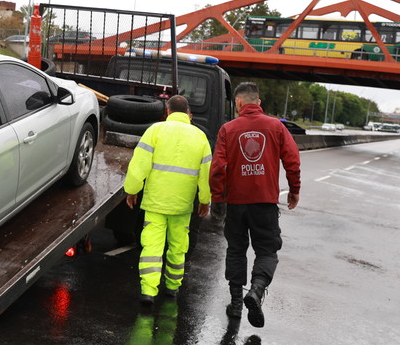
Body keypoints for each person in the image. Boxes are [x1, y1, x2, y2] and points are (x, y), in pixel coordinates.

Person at [210, 82, 302, 327]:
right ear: (258, 103)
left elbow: (218, 167)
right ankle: (257, 292)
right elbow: (292, 161)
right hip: (265, 203)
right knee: (267, 251)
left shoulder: (228, 129)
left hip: (237, 203)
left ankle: (237, 303)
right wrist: (294, 190)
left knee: (236, 250)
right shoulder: (276, 127)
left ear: (238, 103)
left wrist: (218, 199)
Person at [122, 94, 213, 306]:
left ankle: (148, 291)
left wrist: (132, 190)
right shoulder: (200, 137)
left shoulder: (155, 131)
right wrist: (204, 200)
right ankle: (172, 287)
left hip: (155, 202)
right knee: (178, 246)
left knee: (152, 247)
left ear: (167, 110)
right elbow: (206, 173)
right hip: (182, 204)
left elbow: (139, 164)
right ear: (188, 113)